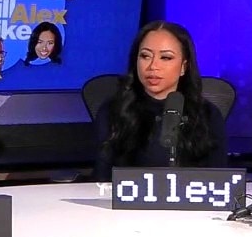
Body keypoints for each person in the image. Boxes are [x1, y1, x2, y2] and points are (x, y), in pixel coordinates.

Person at [92, 20, 227, 181]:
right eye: (145, 56)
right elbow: (101, 181)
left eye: (166, 57)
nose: (153, 66)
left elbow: (220, 182)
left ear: (183, 67)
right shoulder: (113, 111)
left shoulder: (207, 115)